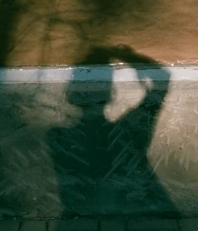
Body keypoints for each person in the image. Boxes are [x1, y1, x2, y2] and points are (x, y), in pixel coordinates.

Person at [47, 44, 178, 216]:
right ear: (111, 94)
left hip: (86, 219)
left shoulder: (57, 136)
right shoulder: (127, 132)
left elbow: (72, 195)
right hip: (139, 214)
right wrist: (129, 57)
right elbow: (162, 79)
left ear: (71, 94)